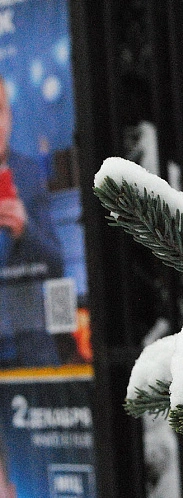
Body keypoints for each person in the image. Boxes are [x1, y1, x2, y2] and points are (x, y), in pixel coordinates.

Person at [0, 75, 64, 368]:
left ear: (10, 117)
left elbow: (57, 266)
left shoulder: (28, 174)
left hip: (31, 347)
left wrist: (26, 230)